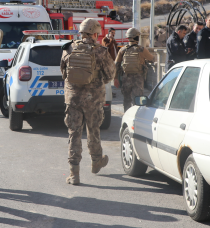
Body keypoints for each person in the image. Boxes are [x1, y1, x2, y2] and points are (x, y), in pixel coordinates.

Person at [61, 18, 115, 185]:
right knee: (93, 131)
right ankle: (96, 161)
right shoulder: (101, 52)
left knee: (74, 133)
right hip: (94, 99)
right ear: (95, 33)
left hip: (73, 99)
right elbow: (110, 75)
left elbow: (63, 73)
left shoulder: (68, 48)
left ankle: (74, 174)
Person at [115, 28, 155, 113]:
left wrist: (115, 78)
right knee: (138, 100)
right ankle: (137, 115)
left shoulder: (123, 50)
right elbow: (152, 59)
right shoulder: (142, 49)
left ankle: (127, 114)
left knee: (126, 100)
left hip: (126, 78)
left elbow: (116, 64)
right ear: (137, 37)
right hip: (138, 78)